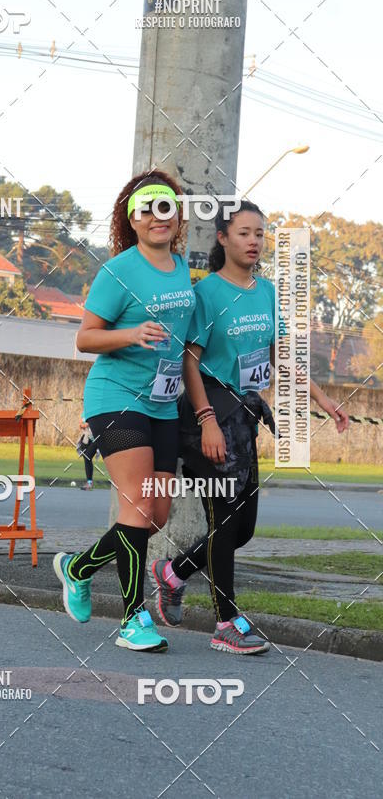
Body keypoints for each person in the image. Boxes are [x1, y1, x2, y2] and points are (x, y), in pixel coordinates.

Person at [151, 200, 349, 654]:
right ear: (223, 238)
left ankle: (173, 572)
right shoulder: (208, 294)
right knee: (224, 518)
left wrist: (324, 400)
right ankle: (226, 622)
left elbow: (280, 356)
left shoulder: (266, 292)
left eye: (259, 233)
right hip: (207, 419)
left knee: (242, 530)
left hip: (243, 417)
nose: (254, 241)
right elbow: (189, 361)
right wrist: (206, 422)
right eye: (243, 233)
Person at [53, 170, 197, 652]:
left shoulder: (181, 268)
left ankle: (78, 568)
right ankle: (132, 619)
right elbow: (85, 337)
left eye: (167, 207)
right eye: (147, 209)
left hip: (162, 403)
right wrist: (132, 334)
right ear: (131, 219)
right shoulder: (118, 271)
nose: (158, 217)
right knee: (137, 505)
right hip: (116, 397)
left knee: (156, 514)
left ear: (177, 217)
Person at [77, 415, 99, 490]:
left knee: (88, 456)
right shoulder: (84, 412)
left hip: (97, 437)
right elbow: (81, 424)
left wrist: (89, 423)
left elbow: (97, 422)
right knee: (86, 458)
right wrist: (83, 425)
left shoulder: (94, 410)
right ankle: (89, 483)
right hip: (88, 437)